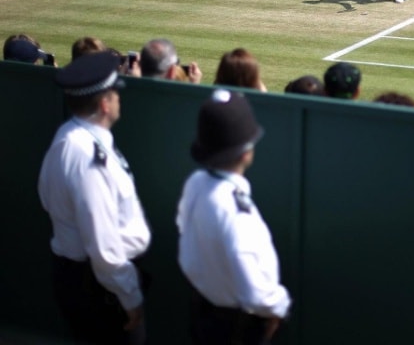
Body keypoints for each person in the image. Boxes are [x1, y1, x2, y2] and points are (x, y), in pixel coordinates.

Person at [38, 51, 151, 344]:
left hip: (83, 280)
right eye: (115, 94)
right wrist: (131, 299)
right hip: (102, 289)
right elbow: (104, 249)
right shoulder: (89, 157)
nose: (119, 99)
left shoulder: (67, 137)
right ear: (104, 104)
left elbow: (46, 198)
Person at [177, 89, 292, 344]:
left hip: (204, 313)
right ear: (245, 152)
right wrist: (280, 307)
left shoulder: (196, 182)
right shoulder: (236, 212)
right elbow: (255, 294)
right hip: (236, 328)